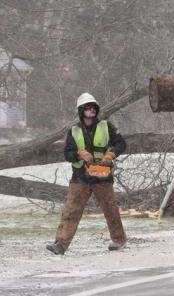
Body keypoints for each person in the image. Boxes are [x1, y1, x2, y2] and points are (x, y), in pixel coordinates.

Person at [46, 93, 127, 255]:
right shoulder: (74, 131)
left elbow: (121, 143)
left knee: (110, 209)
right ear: (81, 110)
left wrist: (111, 154)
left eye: (93, 108)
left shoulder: (106, 126)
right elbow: (67, 154)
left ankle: (119, 240)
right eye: (88, 108)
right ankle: (61, 244)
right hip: (80, 178)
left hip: (102, 176)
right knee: (71, 211)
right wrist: (79, 155)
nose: (91, 111)